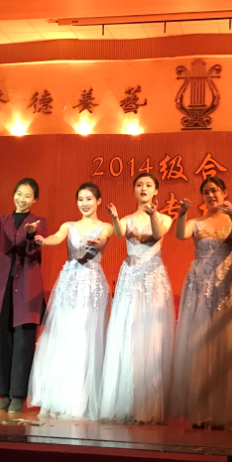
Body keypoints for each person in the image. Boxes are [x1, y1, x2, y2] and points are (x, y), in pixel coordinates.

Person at [170, 176, 232, 429]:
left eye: (215, 190)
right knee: (199, 344)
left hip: (225, 284)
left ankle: (223, 411)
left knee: (224, 343)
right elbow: (180, 234)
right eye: (206, 192)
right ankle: (200, 409)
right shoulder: (196, 222)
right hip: (199, 286)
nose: (211, 195)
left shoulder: (231, 219)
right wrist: (182, 213)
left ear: (225, 192)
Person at [29, 183, 111, 419]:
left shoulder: (106, 226)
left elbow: (104, 239)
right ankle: (62, 396)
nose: (84, 203)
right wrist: (42, 240)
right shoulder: (69, 226)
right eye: (80, 199)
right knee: (66, 335)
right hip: (68, 284)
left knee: (87, 337)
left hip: (92, 285)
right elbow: (56, 237)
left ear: (98, 201)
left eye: (89, 199)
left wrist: (98, 242)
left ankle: (84, 397)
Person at [100, 173, 176, 424]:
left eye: (148, 185)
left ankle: (148, 403)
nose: (144, 188)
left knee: (151, 335)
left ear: (156, 191)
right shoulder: (127, 219)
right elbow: (119, 232)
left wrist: (153, 215)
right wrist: (114, 217)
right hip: (130, 277)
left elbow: (157, 234)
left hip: (153, 278)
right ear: (133, 190)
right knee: (128, 332)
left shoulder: (164, 218)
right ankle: (127, 401)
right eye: (139, 185)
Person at [0, 178, 47, 414]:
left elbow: (38, 239)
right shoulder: (1, 221)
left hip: (27, 291)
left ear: (35, 199)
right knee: (1, 342)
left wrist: (31, 234)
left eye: (27, 196)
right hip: (2, 289)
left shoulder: (39, 222)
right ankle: (3, 394)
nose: (22, 199)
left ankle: (18, 395)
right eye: (19, 194)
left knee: (24, 344)